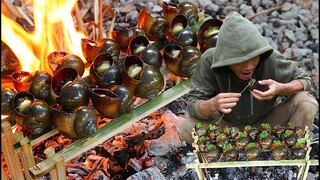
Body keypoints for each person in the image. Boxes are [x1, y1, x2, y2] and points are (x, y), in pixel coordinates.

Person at [177, 11, 319, 144]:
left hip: (269, 123)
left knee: (307, 103)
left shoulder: (269, 56)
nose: (248, 66)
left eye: (253, 59)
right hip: (227, 127)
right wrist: (213, 104)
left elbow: (304, 80)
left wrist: (281, 88)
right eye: (239, 61)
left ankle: (290, 151)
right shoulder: (209, 60)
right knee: (186, 127)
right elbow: (193, 104)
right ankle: (228, 148)